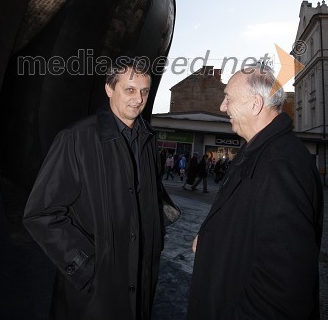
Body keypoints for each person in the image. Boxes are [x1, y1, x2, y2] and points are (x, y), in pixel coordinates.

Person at [23, 59, 165, 320]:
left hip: (139, 287)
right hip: (92, 296)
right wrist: (84, 266)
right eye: (130, 89)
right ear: (109, 89)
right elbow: (41, 213)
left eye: (144, 91)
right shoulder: (75, 138)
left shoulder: (148, 141)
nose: (138, 99)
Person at [187, 63, 323, 319]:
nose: (222, 107)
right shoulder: (260, 153)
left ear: (255, 104)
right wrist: (211, 240)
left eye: (228, 98)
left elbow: (283, 289)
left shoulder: (280, 165)